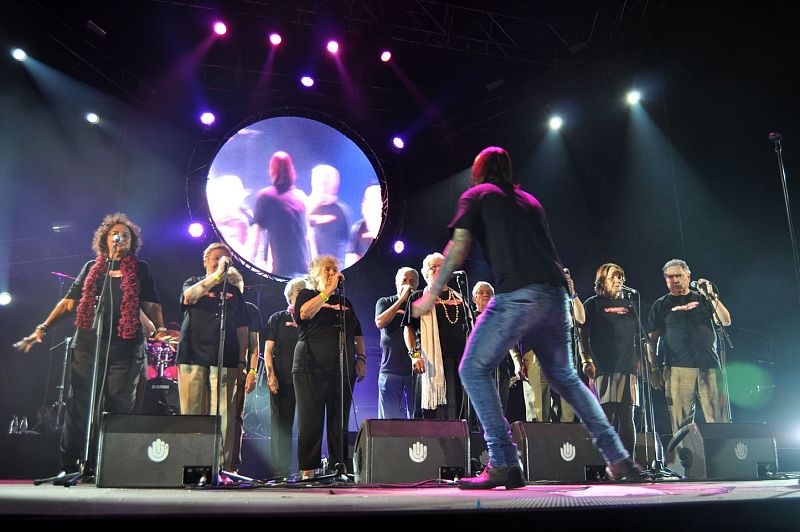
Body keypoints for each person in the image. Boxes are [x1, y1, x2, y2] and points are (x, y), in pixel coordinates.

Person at [411, 146, 637, 489]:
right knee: (566, 378)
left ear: (478, 171)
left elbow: (458, 247)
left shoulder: (477, 195)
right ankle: (618, 457)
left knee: (472, 368)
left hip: (518, 294)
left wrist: (430, 295)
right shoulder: (530, 202)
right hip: (555, 296)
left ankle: (503, 460)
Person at [15, 213, 166, 476]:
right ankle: (73, 464)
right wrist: (42, 328)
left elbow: (152, 304)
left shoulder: (140, 268)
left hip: (126, 348)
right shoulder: (92, 268)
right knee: (80, 406)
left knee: (120, 406)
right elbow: (69, 303)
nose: (120, 238)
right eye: (115, 234)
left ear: (133, 242)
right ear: (105, 239)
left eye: (126, 235)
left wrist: (160, 329)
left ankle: (112, 464)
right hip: (88, 346)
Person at [177, 242, 249, 473]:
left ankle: (222, 469)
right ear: (205, 261)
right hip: (192, 355)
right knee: (192, 414)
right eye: (216, 257)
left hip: (225, 356)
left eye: (225, 259)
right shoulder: (193, 282)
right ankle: (191, 467)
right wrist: (216, 276)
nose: (220, 261)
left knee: (224, 416)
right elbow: (189, 298)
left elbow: (243, 330)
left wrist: (242, 362)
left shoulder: (234, 291)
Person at [293, 256, 366, 479]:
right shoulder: (306, 295)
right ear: (315, 274)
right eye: (327, 269)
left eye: (335, 269)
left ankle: (338, 467)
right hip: (310, 366)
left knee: (339, 420)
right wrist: (326, 292)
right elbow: (304, 314)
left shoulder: (345, 301)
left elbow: (357, 331)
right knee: (311, 420)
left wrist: (361, 357)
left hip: (341, 367)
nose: (333, 272)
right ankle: (308, 471)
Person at [647, 259, 732, 435]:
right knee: (681, 426)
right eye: (670, 277)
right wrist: (654, 369)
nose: (675, 280)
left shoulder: (703, 299)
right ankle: (683, 454)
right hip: (677, 370)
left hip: (710, 367)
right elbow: (651, 340)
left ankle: (722, 452)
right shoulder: (660, 305)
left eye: (678, 275)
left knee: (719, 421)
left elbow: (725, 320)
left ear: (688, 277)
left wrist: (711, 295)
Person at [581, 263, 641, 462]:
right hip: (603, 367)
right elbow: (582, 334)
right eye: (613, 277)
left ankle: (628, 462)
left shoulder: (630, 305)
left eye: (620, 277)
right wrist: (586, 360)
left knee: (627, 415)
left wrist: (641, 361)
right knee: (607, 415)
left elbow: (639, 336)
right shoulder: (592, 304)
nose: (618, 281)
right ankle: (606, 464)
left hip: (627, 366)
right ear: (602, 281)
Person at [248, 277, 307, 478]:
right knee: (281, 426)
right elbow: (268, 350)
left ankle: (306, 470)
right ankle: (280, 471)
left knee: (307, 427)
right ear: (290, 295)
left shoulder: (312, 319)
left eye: (306, 291)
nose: (303, 294)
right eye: (299, 291)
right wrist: (271, 376)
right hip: (282, 379)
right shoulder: (278, 318)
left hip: (306, 381)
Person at [404, 253, 470, 421]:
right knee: (432, 414)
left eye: (442, 266)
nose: (438, 270)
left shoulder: (461, 299)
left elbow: (472, 330)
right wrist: (414, 355)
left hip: (459, 363)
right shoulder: (419, 297)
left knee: (457, 412)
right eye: (433, 267)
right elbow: (408, 329)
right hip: (430, 363)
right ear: (425, 273)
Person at [251, 151, 313, 277]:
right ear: (291, 170)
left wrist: (249, 265)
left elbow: (256, 237)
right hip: (303, 269)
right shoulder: (300, 196)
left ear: (272, 170)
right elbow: (308, 236)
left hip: (281, 270)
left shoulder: (266, 196)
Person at [227, 269, 262, 474]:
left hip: (239, 369)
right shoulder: (217, 308)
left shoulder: (250, 310)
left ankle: (232, 465)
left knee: (235, 416)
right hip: (215, 366)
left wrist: (252, 372)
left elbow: (254, 346)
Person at [375, 267, 418, 419]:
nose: (408, 284)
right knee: (387, 421)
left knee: (416, 419)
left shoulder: (419, 305)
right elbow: (380, 322)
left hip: (415, 371)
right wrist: (401, 300)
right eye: (404, 281)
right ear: (396, 283)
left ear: (417, 285)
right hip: (390, 370)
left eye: (412, 281)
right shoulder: (385, 302)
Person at [472, 281, 512, 414]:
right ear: (474, 298)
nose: (485, 295)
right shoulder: (469, 318)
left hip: (501, 371)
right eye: (481, 293)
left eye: (489, 293)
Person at [307, 164, 351, 263]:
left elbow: (349, 244)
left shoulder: (341, 211)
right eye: (321, 181)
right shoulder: (303, 207)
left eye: (327, 182)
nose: (324, 186)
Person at [345, 184, 383, 267]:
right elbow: (350, 262)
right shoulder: (358, 228)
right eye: (369, 201)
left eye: (378, 201)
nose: (375, 206)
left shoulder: (390, 227)